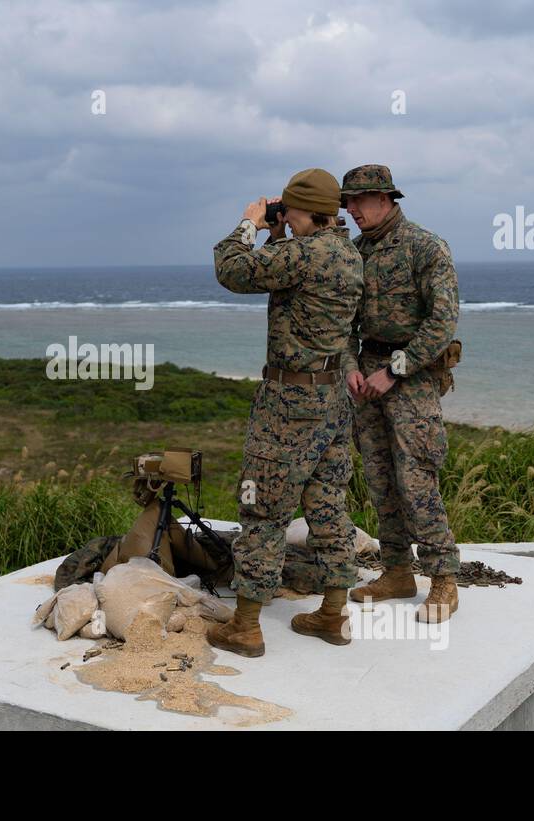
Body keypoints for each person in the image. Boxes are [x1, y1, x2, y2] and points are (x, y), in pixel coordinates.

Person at [207, 168, 364, 657]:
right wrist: (281, 233)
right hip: (334, 402)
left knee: (264, 509)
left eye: (290, 212)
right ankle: (333, 614)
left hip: (288, 405)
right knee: (328, 504)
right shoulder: (348, 253)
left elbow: (231, 270)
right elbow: (290, 268)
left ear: (306, 211)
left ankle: (247, 626)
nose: (285, 219)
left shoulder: (300, 254)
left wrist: (249, 224)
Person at [340, 164, 461, 623]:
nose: (351, 210)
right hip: (366, 376)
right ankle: (396, 571)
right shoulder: (353, 254)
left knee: (416, 478)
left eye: (358, 201)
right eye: (347, 203)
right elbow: (343, 323)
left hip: (412, 377)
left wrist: (395, 370)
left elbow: (442, 322)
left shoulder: (424, 247)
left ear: (386, 198)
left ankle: (444, 579)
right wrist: (351, 366)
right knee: (379, 476)